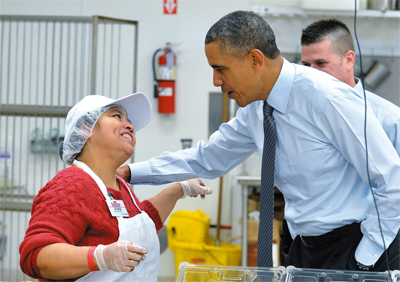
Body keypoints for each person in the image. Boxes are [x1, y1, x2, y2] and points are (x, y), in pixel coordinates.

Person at [117, 11, 400, 271]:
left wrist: (364, 258)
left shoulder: (326, 98)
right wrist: (132, 172)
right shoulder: (256, 110)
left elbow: (391, 178)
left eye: (221, 69)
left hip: (358, 248)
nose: (216, 81)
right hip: (306, 248)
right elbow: (208, 157)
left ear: (255, 59)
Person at [19, 93, 213, 281]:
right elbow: (35, 255)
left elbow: (145, 223)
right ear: (86, 129)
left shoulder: (119, 185)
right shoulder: (70, 185)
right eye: (117, 116)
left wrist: (179, 189)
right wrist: (100, 257)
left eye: (128, 121)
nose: (130, 126)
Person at [301, 18, 400, 157]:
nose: (311, 72)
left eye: (321, 63)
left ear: (349, 60)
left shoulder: (390, 121)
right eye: (306, 65)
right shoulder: (299, 114)